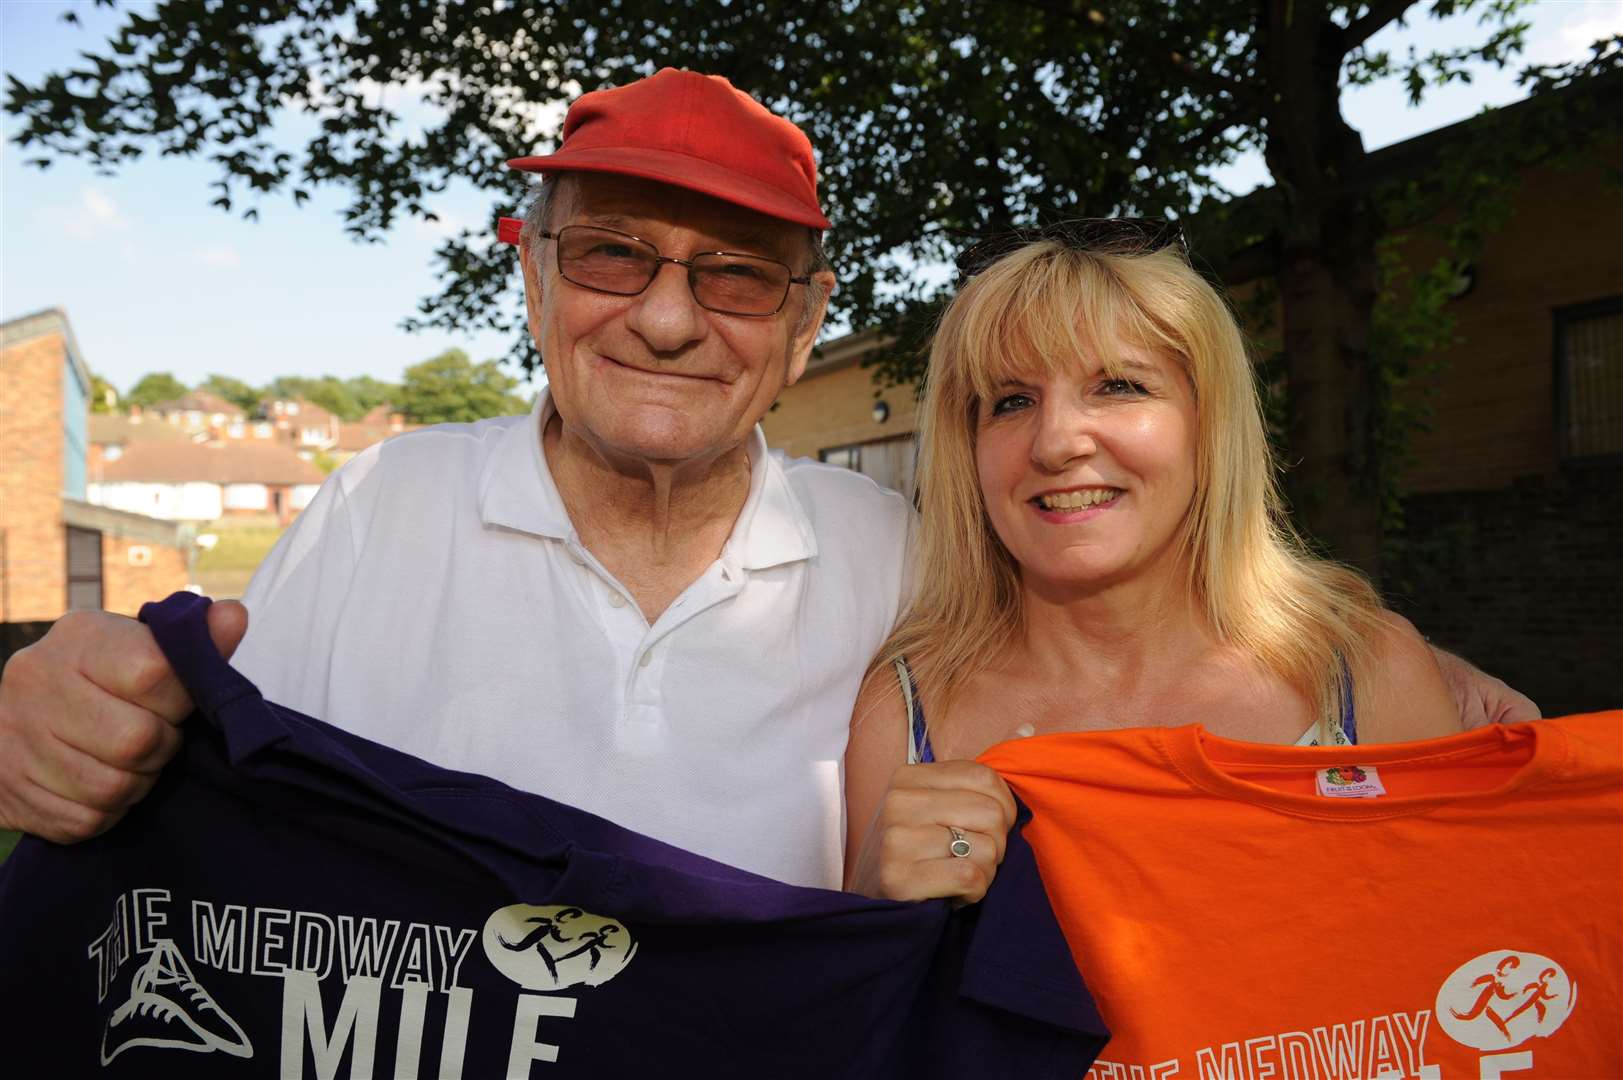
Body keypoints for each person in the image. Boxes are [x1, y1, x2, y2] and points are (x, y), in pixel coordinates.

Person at [0, 76, 1533, 891]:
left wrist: (1391, 677)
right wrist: (57, 699)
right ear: (526, 276)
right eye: (609, 252)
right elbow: (188, 730)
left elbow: (1137, 644)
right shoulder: (377, 503)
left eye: (734, 279)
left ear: (806, 320)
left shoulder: (904, 558)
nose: (665, 318)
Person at [844, 221, 1471, 901]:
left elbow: (1462, 958)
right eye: (1011, 401)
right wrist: (874, 906)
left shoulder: (1363, 672)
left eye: (1117, 385)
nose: (1053, 442)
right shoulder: (901, 712)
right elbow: (863, 1000)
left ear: (1208, 423)